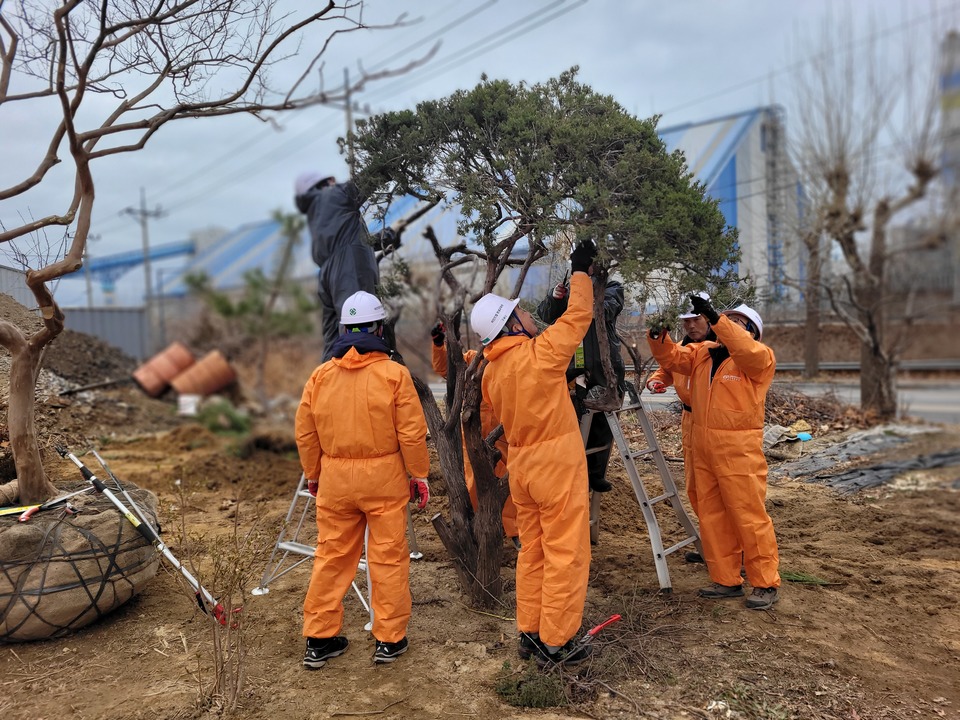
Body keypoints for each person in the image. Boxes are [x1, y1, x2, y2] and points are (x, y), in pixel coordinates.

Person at [471, 240, 597, 666]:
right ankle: (560, 641)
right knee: (565, 551)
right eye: (520, 312)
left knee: (535, 550)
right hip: (556, 465)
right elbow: (580, 317)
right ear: (509, 326)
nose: (527, 314)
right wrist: (581, 270)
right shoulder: (541, 355)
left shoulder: (491, 371)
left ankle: (531, 632)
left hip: (522, 466)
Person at [295, 291, 430, 668]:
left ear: (342, 329)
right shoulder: (394, 374)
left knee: (332, 556)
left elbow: (305, 434)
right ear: (380, 328)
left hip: (335, 479)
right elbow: (411, 434)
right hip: (383, 479)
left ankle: (319, 640)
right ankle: (389, 639)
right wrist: (419, 474)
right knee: (387, 558)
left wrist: (314, 476)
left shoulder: (320, 376)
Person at [646, 295, 781, 610]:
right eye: (726, 320)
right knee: (711, 514)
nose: (727, 325)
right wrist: (657, 334)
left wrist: (717, 319)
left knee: (748, 515)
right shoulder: (703, 353)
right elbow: (671, 357)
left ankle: (765, 582)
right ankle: (726, 579)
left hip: (738, 449)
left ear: (752, 331)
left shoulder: (759, 358)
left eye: (736, 322)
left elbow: (744, 348)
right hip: (704, 444)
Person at [430, 323, 519, 544]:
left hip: (504, 429)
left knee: (509, 479)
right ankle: (480, 526)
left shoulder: (514, 358)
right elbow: (446, 368)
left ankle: (513, 530)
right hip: (475, 431)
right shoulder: (474, 359)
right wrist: (439, 344)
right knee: (474, 481)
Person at [536, 275, 625, 493]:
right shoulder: (568, 289)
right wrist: (555, 298)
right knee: (568, 421)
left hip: (603, 365)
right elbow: (546, 314)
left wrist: (582, 296)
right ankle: (569, 471)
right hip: (572, 363)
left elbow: (605, 311)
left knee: (602, 423)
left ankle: (595, 474)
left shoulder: (611, 287)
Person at [295, 172, 396, 362]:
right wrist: (396, 157)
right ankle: (359, 383)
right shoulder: (333, 195)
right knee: (360, 326)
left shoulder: (317, 210)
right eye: (331, 181)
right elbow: (372, 175)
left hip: (329, 274)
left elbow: (350, 240)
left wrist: (386, 237)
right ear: (324, 184)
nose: (336, 182)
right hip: (349, 271)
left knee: (334, 336)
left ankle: (328, 384)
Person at [646, 292, 717, 540]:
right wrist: (656, 381)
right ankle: (713, 544)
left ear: (708, 317)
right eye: (686, 321)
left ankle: (730, 550)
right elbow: (669, 367)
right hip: (690, 422)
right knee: (696, 488)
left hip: (714, 423)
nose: (690, 325)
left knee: (718, 490)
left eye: (695, 319)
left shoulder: (721, 349)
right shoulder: (683, 347)